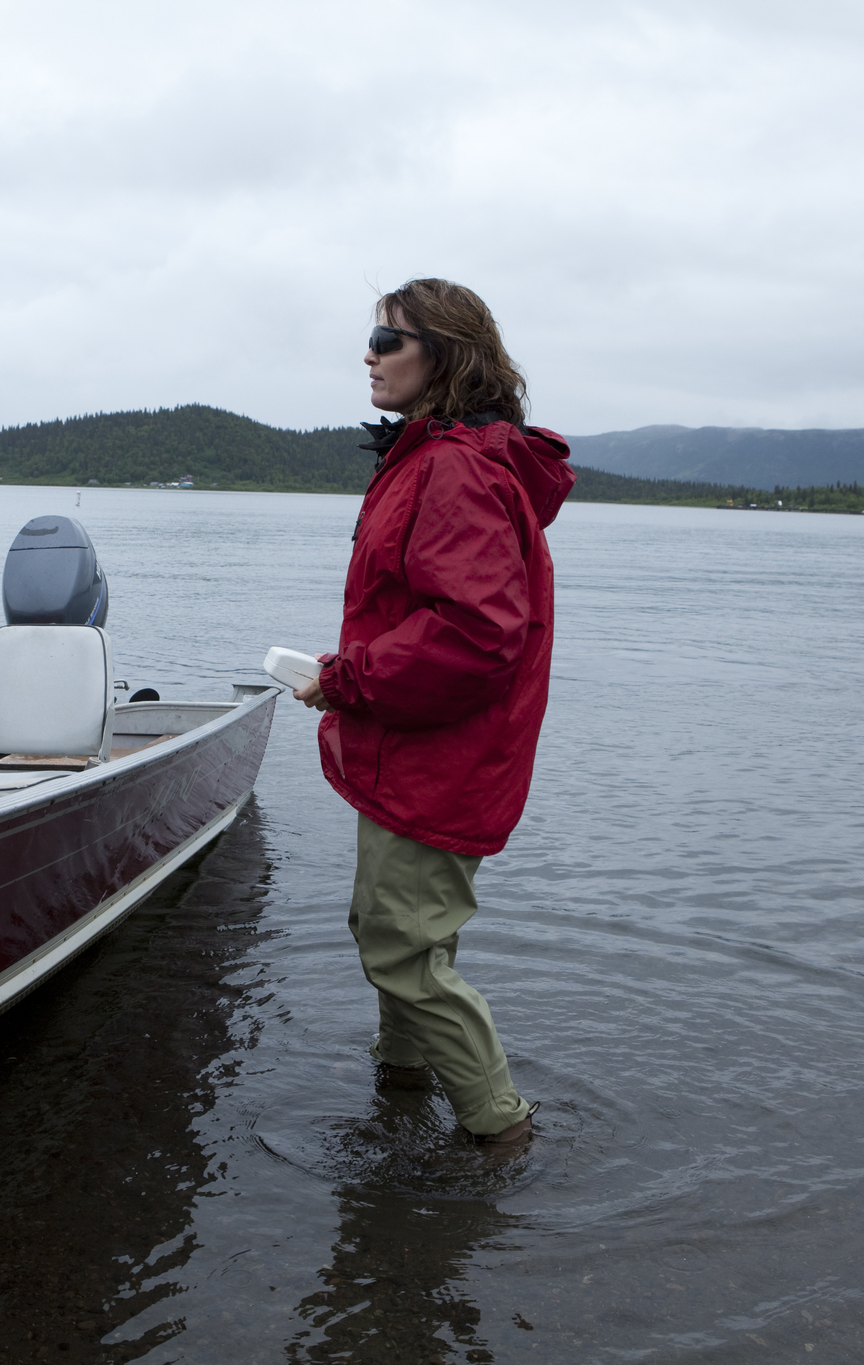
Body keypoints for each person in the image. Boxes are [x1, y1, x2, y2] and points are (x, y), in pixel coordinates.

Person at [294, 278, 575, 1148]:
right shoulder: (433, 454)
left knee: (401, 946)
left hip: (438, 755)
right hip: (421, 746)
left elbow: (475, 634)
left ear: (442, 358)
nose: (370, 355)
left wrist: (345, 677)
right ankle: (402, 1079)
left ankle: (500, 1130)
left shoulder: (454, 465)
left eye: (389, 340)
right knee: (404, 934)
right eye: (372, 338)